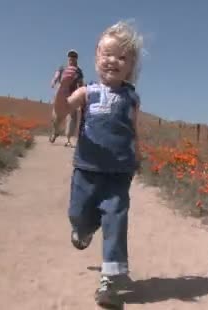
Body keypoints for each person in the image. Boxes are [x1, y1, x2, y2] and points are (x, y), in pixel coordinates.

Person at [53, 20, 143, 308]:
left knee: (116, 220)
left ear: (130, 65)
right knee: (78, 215)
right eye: (107, 54)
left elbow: (133, 129)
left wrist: (136, 154)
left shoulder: (131, 97)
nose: (113, 61)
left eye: (122, 57)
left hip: (118, 172)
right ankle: (85, 229)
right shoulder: (88, 92)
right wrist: (64, 86)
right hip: (87, 170)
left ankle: (111, 281)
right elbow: (61, 110)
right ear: (96, 58)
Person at [49, 49, 84, 147]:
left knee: (72, 117)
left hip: (72, 96)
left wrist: (81, 96)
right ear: (68, 58)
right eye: (70, 56)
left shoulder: (78, 71)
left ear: (76, 59)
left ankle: (68, 139)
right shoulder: (63, 67)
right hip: (61, 95)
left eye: (74, 57)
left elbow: (80, 84)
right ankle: (55, 132)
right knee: (56, 117)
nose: (72, 58)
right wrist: (54, 80)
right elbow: (57, 75)